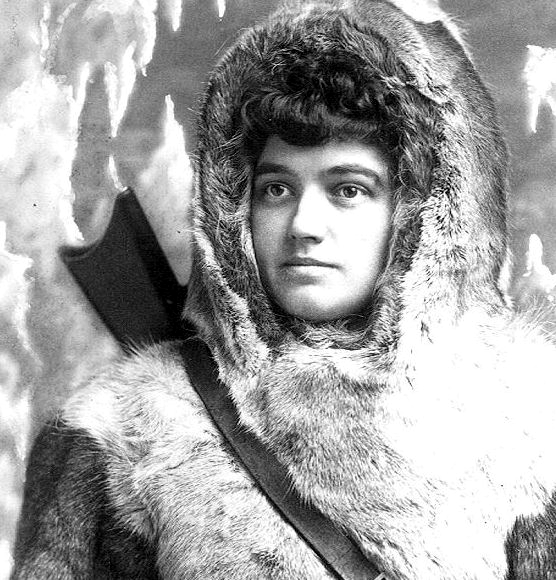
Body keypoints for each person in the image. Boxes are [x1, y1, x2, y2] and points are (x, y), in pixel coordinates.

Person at [11, 0, 556, 578]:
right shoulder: (125, 428)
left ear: (422, 212)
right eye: (276, 189)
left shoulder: (527, 423)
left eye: (348, 190)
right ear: (234, 203)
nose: (304, 225)